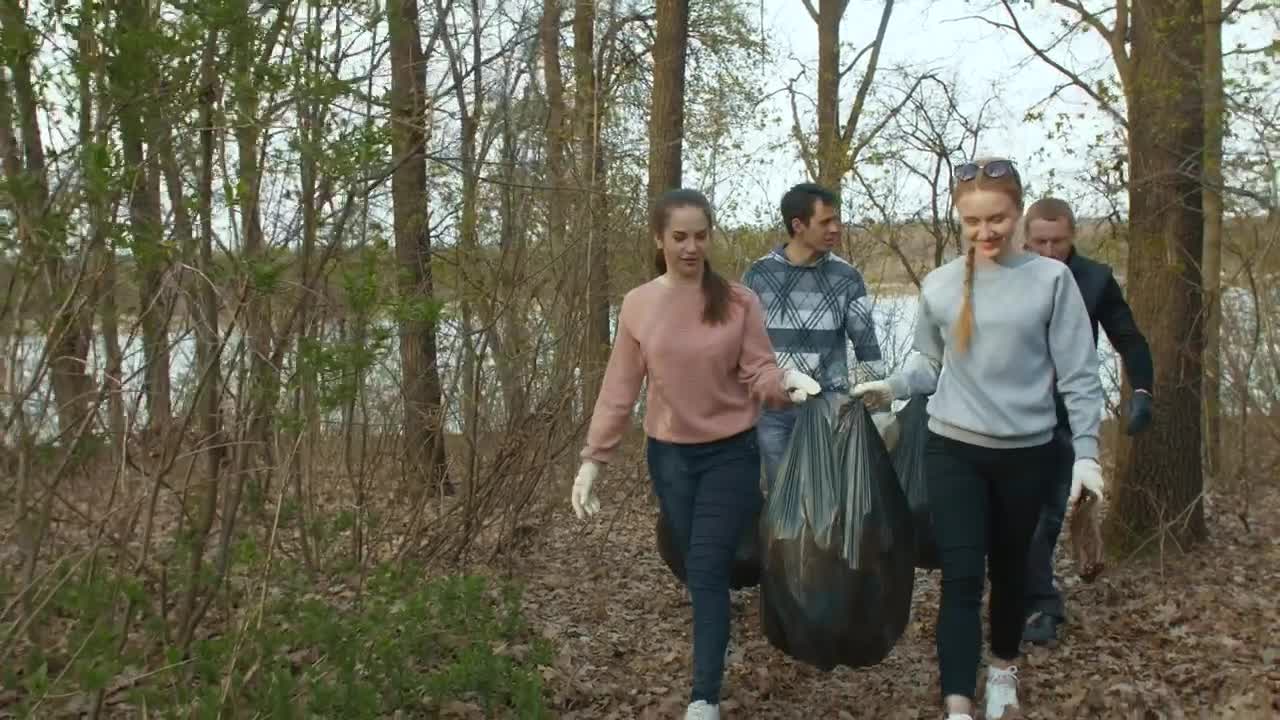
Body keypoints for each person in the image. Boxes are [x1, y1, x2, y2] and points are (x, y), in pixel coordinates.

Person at [850, 158, 1104, 720]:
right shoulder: (940, 285)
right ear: (958, 219)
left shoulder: (1050, 281)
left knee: (1012, 573)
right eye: (972, 221)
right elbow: (927, 362)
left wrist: (1086, 454)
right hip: (954, 449)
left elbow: (1082, 374)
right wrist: (889, 385)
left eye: (997, 219)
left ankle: (1004, 672)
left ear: (1017, 213)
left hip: (1028, 454)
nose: (985, 232)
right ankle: (959, 702)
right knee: (962, 577)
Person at [569, 188, 821, 720]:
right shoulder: (639, 304)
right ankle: (734, 610)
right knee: (696, 563)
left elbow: (758, 371)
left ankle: (704, 697)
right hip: (670, 458)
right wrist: (595, 459)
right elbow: (620, 387)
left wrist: (787, 383)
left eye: (700, 236)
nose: (690, 247)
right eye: (679, 237)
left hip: (730, 453)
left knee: (705, 568)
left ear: (710, 237)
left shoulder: (737, 301)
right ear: (659, 240)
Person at [1021, 197, 1154, 647]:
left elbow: (1129, 339)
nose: (1049, 250)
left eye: (1057, 241)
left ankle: (1043, 607)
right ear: (1026, 238)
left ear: (1072, 236)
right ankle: (1023, 596)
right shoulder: (1007, 275)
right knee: (1011, 518)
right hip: (1010, 415)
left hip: (1066, 418)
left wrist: (1141, 392)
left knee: (1046, 517)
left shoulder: (1094, 279)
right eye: (1039, 241)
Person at [743, 182, 893, 490]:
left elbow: (867, 345)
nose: (836, 228)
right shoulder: (758, 276)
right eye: (826, 221)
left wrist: (879, 409)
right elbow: (741, 348)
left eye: (837, 219)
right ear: (798, 225)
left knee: (828, 501)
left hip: (830, 409)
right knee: (780, 501)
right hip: (774, 411)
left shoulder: (847, 277)